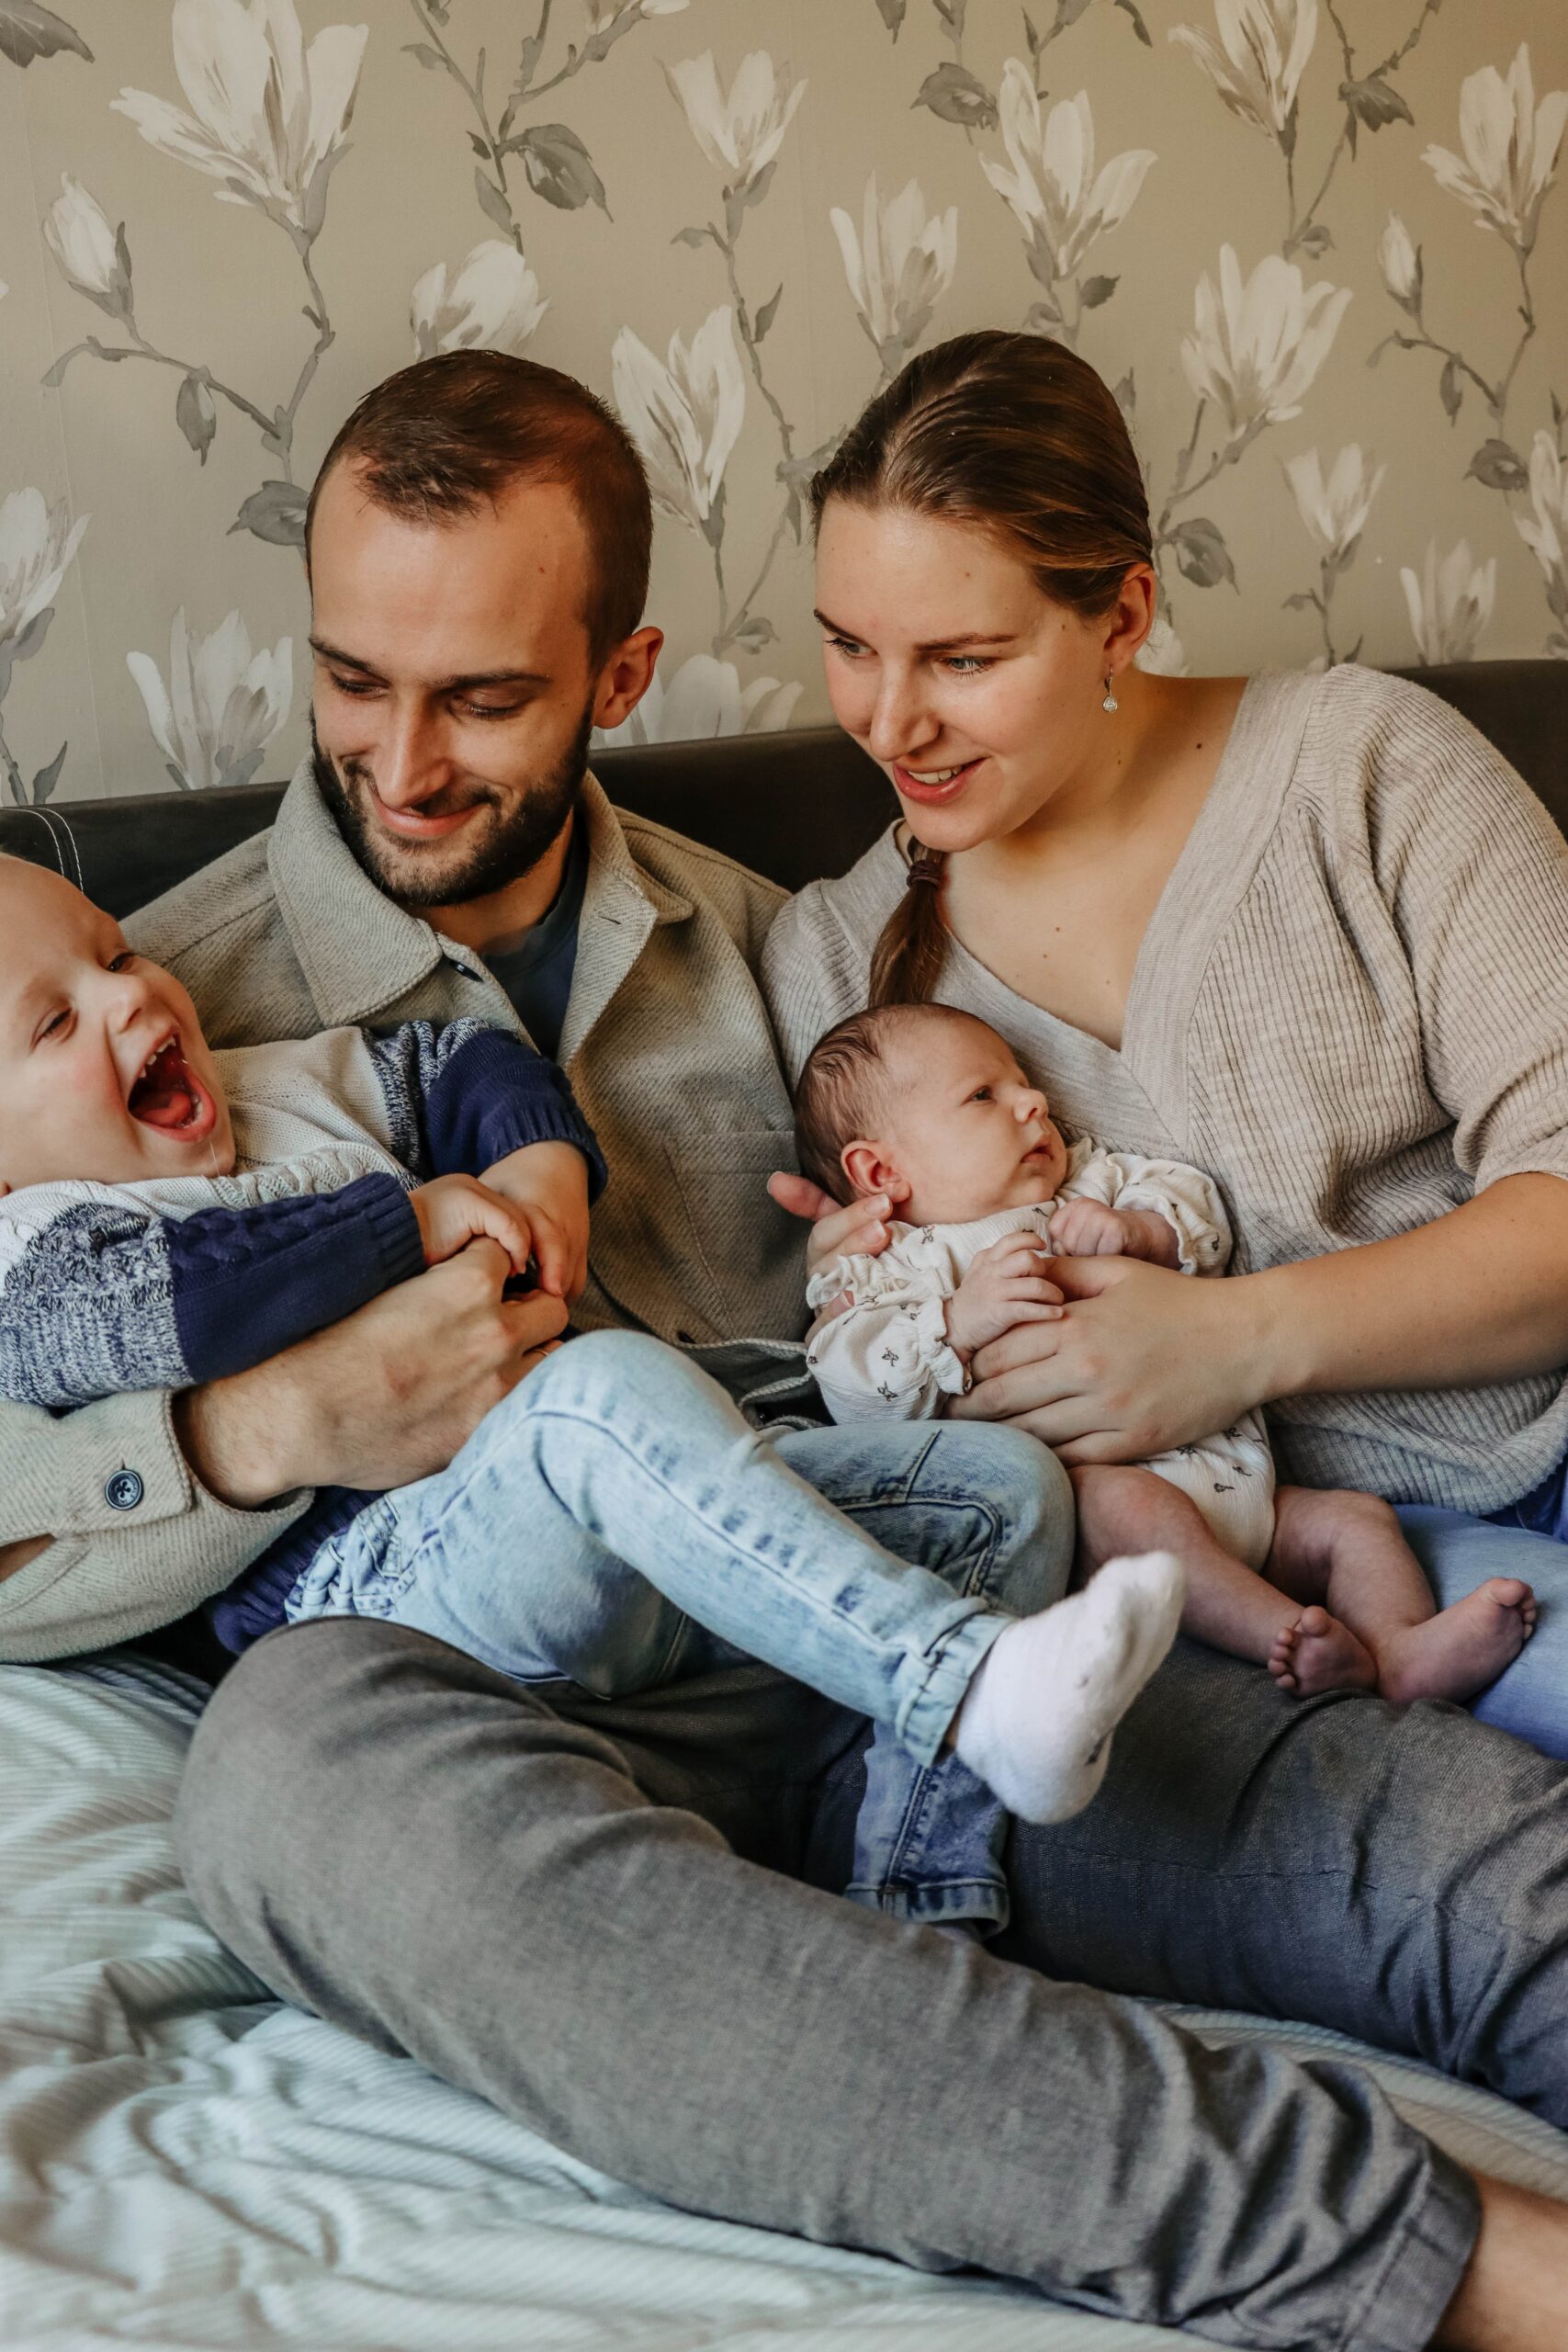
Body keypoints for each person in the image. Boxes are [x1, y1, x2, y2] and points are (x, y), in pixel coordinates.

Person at [4, 348, 1568, 2344]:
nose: (396, 764)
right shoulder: (129, 1017)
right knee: (281, 1768)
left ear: (619, 675)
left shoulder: (798, 961)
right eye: (349, 681)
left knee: (1469, 1865)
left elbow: (1079, 1189)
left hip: (912, 1652)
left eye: (482, 696)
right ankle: (1415, 2253)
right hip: (486, 1738)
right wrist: (239, 1426)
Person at [0, 855, 1183, 1926]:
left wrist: (538, 1166)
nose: (130, 996)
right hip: (376, 1590)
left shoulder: (280, 1084)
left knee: (1004, 1488)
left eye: (118, 951)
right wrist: (400, 1219)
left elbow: (465, 1059)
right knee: (599, 1389)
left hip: (593, 1529)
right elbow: (189, 1301)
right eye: (55, 1020)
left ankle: (924, 1897)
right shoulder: (39, 1250)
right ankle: (961, 1681)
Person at [764, 328, 1568, 1763]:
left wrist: (1230, 1340)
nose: (889, 721)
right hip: (1206, 1588)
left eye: (961, 657)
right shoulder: (835, 964)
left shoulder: (1364, 770)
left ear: (1121, 614)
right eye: (846, 645)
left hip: (1528, 1465)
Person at [791, 998, 1536, 1704]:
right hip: (1106, 1514)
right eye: (983, 1095)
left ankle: (1400, 1649)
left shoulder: (1094, 1180)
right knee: (1127, 1506)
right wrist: (955, 1319)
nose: (1033, 1102)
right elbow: (852, 1391)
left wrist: (1140, 1232)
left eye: (1026, 1081)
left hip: (1244, 1489)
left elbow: (1200, 1212)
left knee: (1355, 1519)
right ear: (881, 1173)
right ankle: (1285, 1638)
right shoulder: (890, 1267)